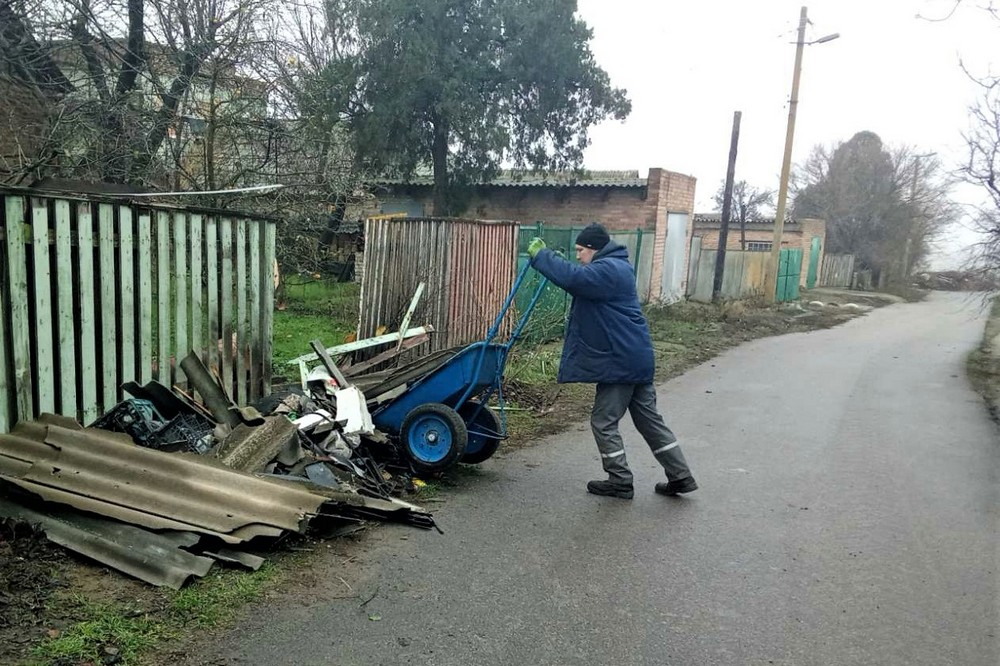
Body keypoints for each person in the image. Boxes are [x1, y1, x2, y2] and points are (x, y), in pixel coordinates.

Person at [526, 223, 697, 499]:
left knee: (603, 421)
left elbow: (575, 279)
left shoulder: (609, 270)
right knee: (650, 421)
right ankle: (681, 475)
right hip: (635, 357)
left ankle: (619, 478)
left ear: (593, 249)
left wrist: (543, 256)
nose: (579, 256)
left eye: (581, 250)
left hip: (621, 362)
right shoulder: (616, 267)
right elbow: (579, 277)